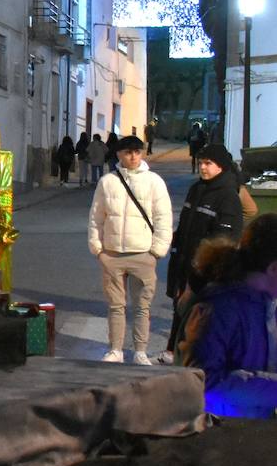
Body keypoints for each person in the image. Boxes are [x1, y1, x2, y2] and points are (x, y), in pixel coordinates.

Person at [176, 214, 277, 418]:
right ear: (273, 269)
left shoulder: (268, 306)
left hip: (254, 429)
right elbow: (201, 383)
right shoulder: (216, 310)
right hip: (219, 432)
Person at [87, 135, 173, 365]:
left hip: (143, 254)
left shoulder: (154, 182)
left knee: (142, 307)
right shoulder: (107, 182)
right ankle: (115, 349)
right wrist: (98, 249)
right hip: (112, 254)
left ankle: (140, 351)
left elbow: (163, 218)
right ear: (119, 154)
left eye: (137, 152)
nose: (133, 157)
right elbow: (96, 217)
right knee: (116, 306)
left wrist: (156, 251)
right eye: (128, 152)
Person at [161, 143, 244, 364]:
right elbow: (185, 226)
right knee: (180, 307)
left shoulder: (228, 196)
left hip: (205, 270)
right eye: (201, 163)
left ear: (221, 166)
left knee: (198, 315)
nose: (203, 167)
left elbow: (223, 240)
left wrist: (204, 268)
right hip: (184, 262)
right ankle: (171, 351)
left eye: (208, 163)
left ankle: (193, 359)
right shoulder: (197, 189)